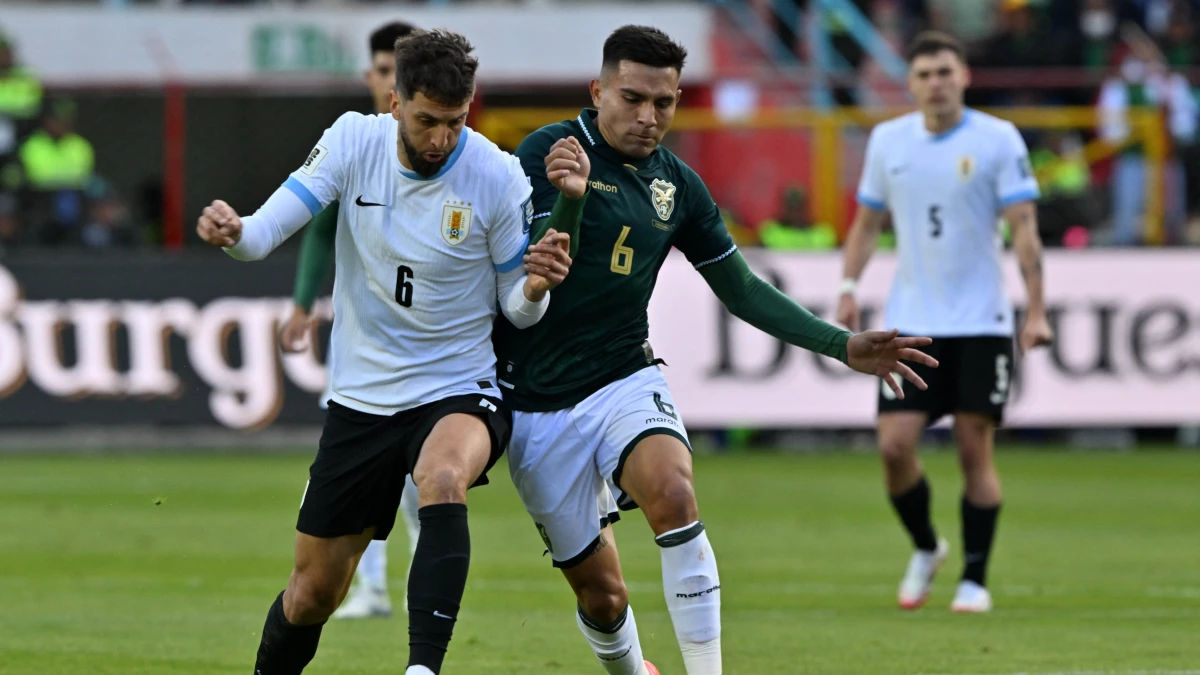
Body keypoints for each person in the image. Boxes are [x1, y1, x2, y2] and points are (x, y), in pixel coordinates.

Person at [496, 24, 938, 675]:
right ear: (597, 91)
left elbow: (741, 289)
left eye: (665, 103)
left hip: (623, 374)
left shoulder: (680, 187)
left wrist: (841, 344)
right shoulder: (549, 151)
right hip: (535, 403)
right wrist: (570, 204)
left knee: (673, 491)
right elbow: (536, 276)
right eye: (632, 98)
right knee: (602, 593)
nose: (649, 117)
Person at [197, 30, 579, 675]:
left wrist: (537, 288)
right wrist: (234, 234)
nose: (441, 139)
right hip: (362, 397)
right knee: (313, 593)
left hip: (457, 385)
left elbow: (517, 306)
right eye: (427, 120)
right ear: (394, 102)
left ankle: (421, 670)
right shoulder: (351, 140)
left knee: (444, 478)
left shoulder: (495, 174)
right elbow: (264, 234)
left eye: (455, 122)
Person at [837, 31, 1053, 614]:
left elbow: (1025, 228)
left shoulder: (997, 139)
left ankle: (975, 579)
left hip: (981, 321)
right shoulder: (888, 141)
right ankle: (928, 546)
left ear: (964, 77)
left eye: (945, 72)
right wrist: (849, 287)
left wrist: (1035, 310)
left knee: (972, 448)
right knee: (893, 448)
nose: (936, 82)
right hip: (912, 321)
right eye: (925, 73)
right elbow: (865, 224)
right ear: (910, 83)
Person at [278, 20, 421, 622]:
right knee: (359, 465)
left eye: (402, 71)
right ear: (372, 78)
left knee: (425, 475)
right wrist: (304, 304)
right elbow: (319, 226)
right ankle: (373, 588)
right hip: (361, 337)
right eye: (385, 71)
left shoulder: (445, 147)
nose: (392, 82)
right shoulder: (352, 145)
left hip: (427, 339)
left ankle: (420, 587)